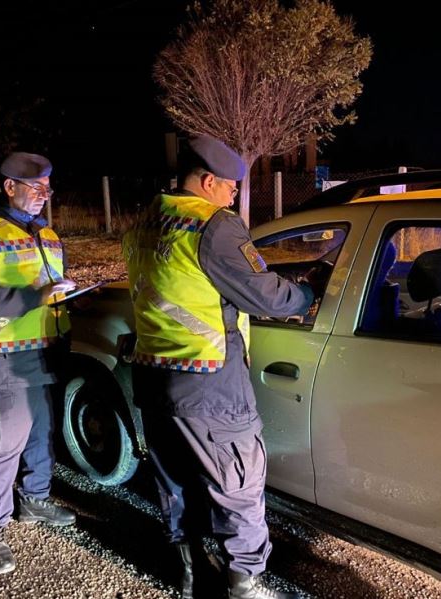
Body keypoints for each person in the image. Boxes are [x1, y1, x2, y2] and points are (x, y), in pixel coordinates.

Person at [123, 135, 315, 599]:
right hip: (208, 381)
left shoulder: (146, 219)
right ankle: (244, 584)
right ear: (208, 181)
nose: (233, 195)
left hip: (153, 374)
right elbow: (264, 295)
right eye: (230, 187)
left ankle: (189, 573)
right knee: (238, 482)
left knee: (175, 479)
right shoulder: (214, 225)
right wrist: (307, 294)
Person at [0, 152, 77, 575]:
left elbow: (49, 290)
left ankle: (34, 500)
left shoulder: (49, 234)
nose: (44, 196)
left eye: (47, 188)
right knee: (5, 444)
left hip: (45, 351)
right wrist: (35, 298)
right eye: (36, 188)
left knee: (42, 433)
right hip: (6, 357)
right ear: (9, 186)